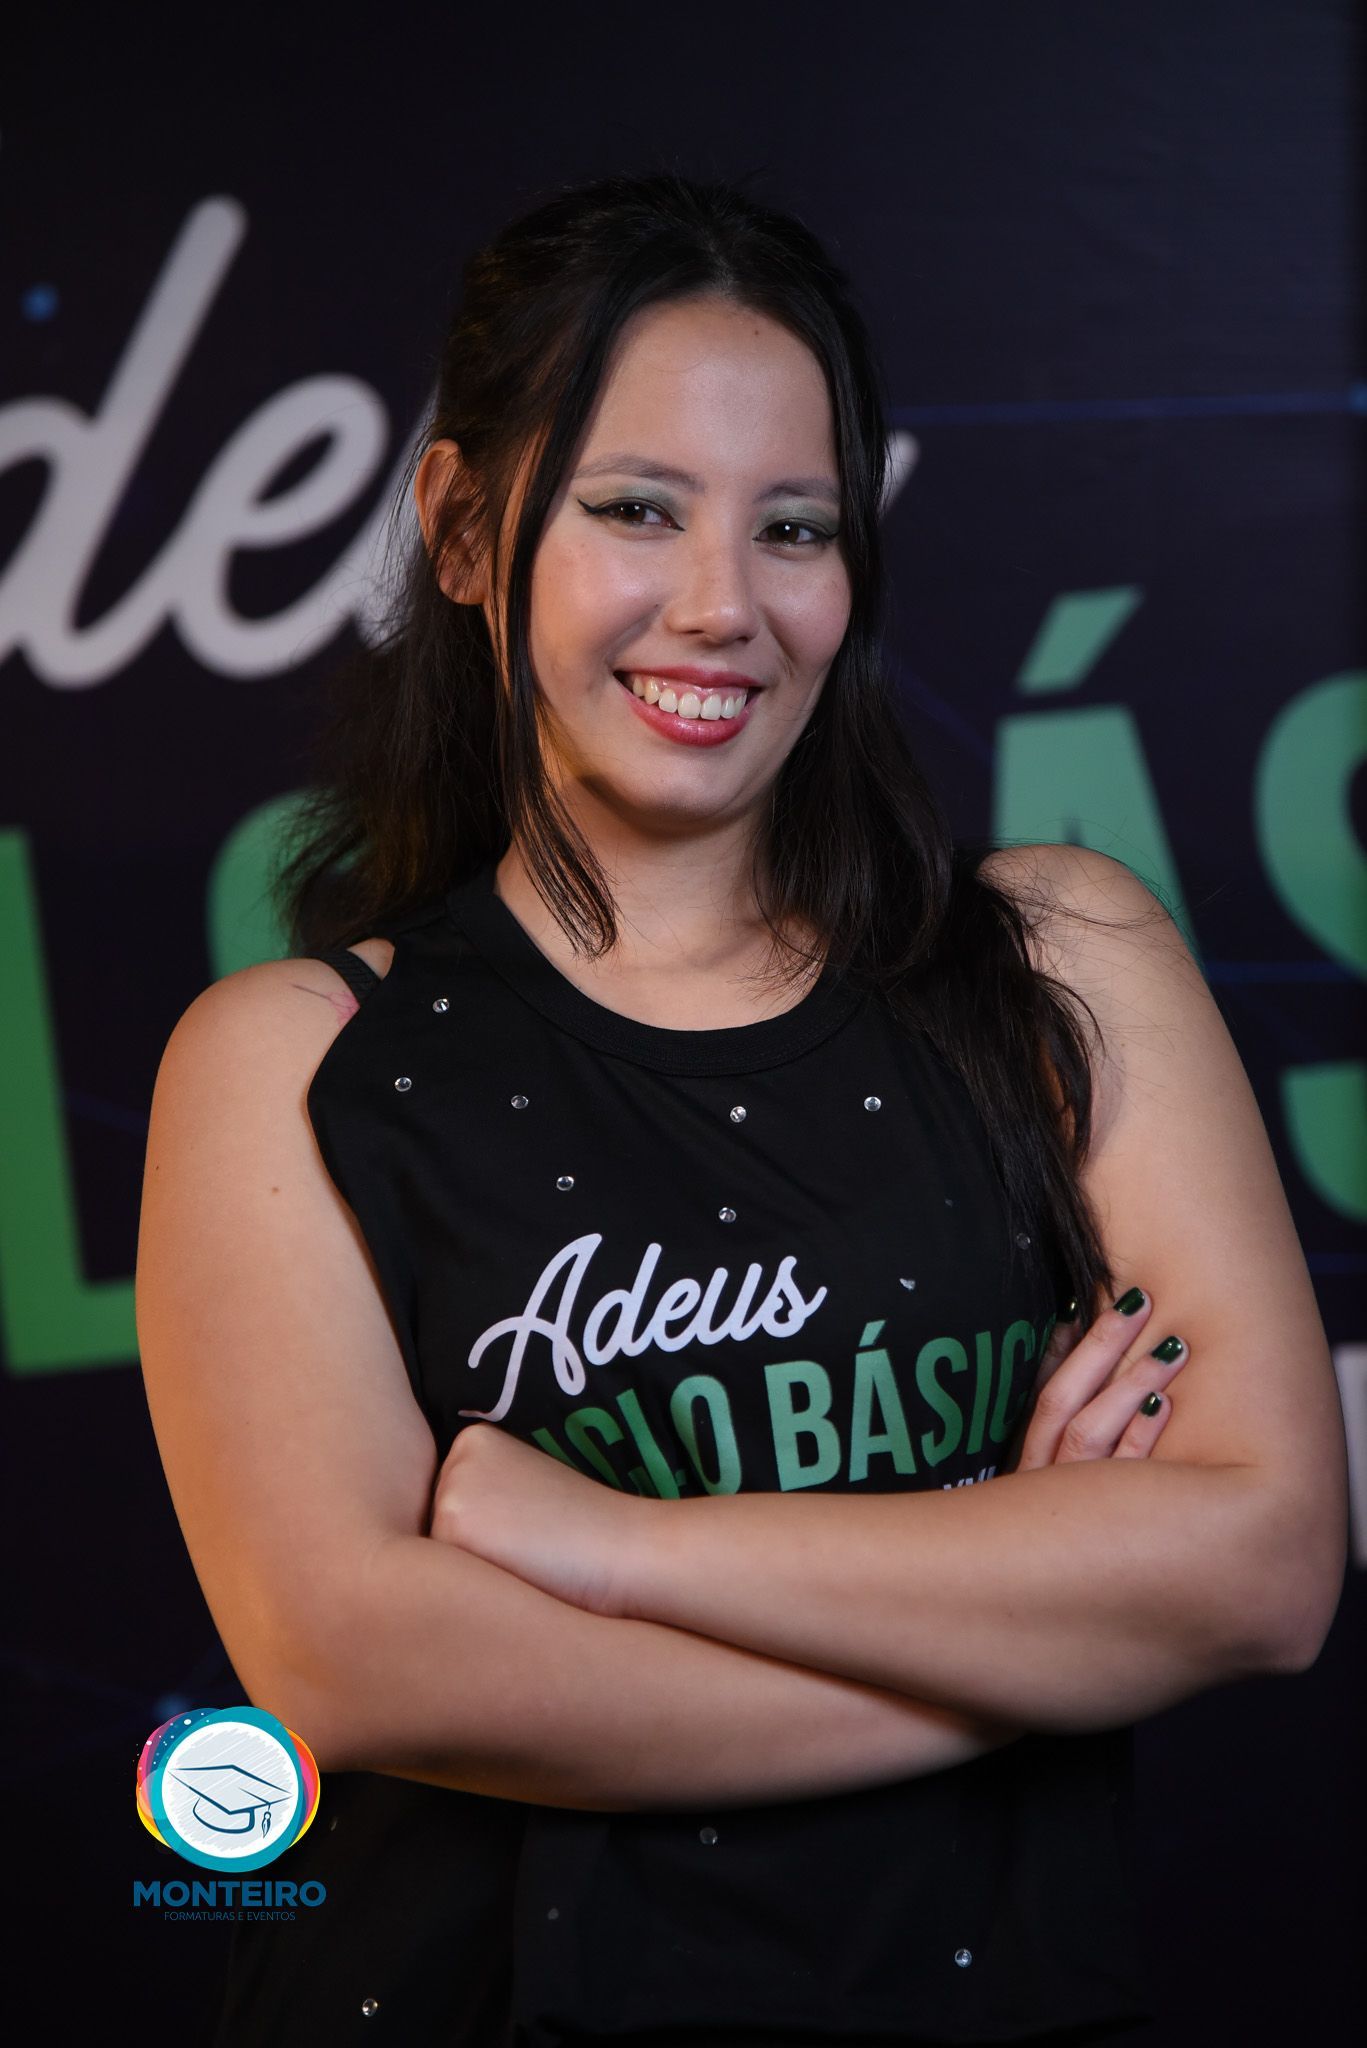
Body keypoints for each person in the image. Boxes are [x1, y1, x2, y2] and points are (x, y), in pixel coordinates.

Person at [134, 171, 1347, 2048]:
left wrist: (612, 1548)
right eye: (634, 508)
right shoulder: (286, 1056)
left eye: (796, 527)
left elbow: (1262, 1568)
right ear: (463, 530)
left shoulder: (1061, 958)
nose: (723, 606)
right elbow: (359, 1665)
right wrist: (1026, 1616)